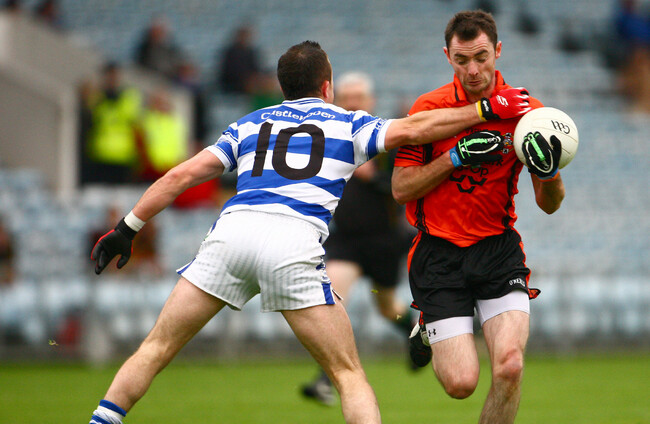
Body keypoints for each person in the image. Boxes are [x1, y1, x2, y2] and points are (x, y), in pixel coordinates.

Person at [87, 40, 531, 424]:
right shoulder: (347, 123)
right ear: (327, 86)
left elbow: (180, 176)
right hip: (292, 243)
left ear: (283, 87)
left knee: (155, 348)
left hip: (231, 236)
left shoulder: (249, 124)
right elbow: (416, 128)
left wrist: (126, 228)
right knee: (348, 375)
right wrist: (485, 109)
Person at [392, 11, 564, 424]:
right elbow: (401, 189)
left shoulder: (528, 113)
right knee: (461, 383)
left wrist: (549, 173)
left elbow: (550, 203)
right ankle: (427, 326)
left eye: (481, 57)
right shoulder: (428, 109)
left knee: (510, 366)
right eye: (462, 60)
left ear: (498, 51)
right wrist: (453, 157)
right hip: (439, 255)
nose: (473, 70)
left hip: (497, 250)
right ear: (447, 57)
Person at [300, 71, 416, 406]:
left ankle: (413, 331)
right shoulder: (328, 140)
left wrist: (373, 176)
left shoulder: (388, 140)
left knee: (388, 309)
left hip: (383, 239)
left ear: (371, 101)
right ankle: (326, 379)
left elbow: (404, 188)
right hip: (345, 241)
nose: (352, 103)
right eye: (346, 97)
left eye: (358, 97)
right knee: (332, 301)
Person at [81, 62, 142, 185]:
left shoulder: (129, 97)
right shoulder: (97, 97)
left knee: (121, 191)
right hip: (100, 152)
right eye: (109, 75)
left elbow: (133, 120)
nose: (112, 79)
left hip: (123, 153)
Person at [216, 24, 262, 94]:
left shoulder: (251, 52)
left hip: (248, 81)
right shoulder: (230, 53)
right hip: (233, 83)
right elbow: (228, 72)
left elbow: (256, 68)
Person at [134, 16, 184, 81]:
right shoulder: (145, 49)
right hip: (152, 79)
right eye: (155, 31)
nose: (157, 33)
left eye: (160, 31)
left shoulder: (169, 49)